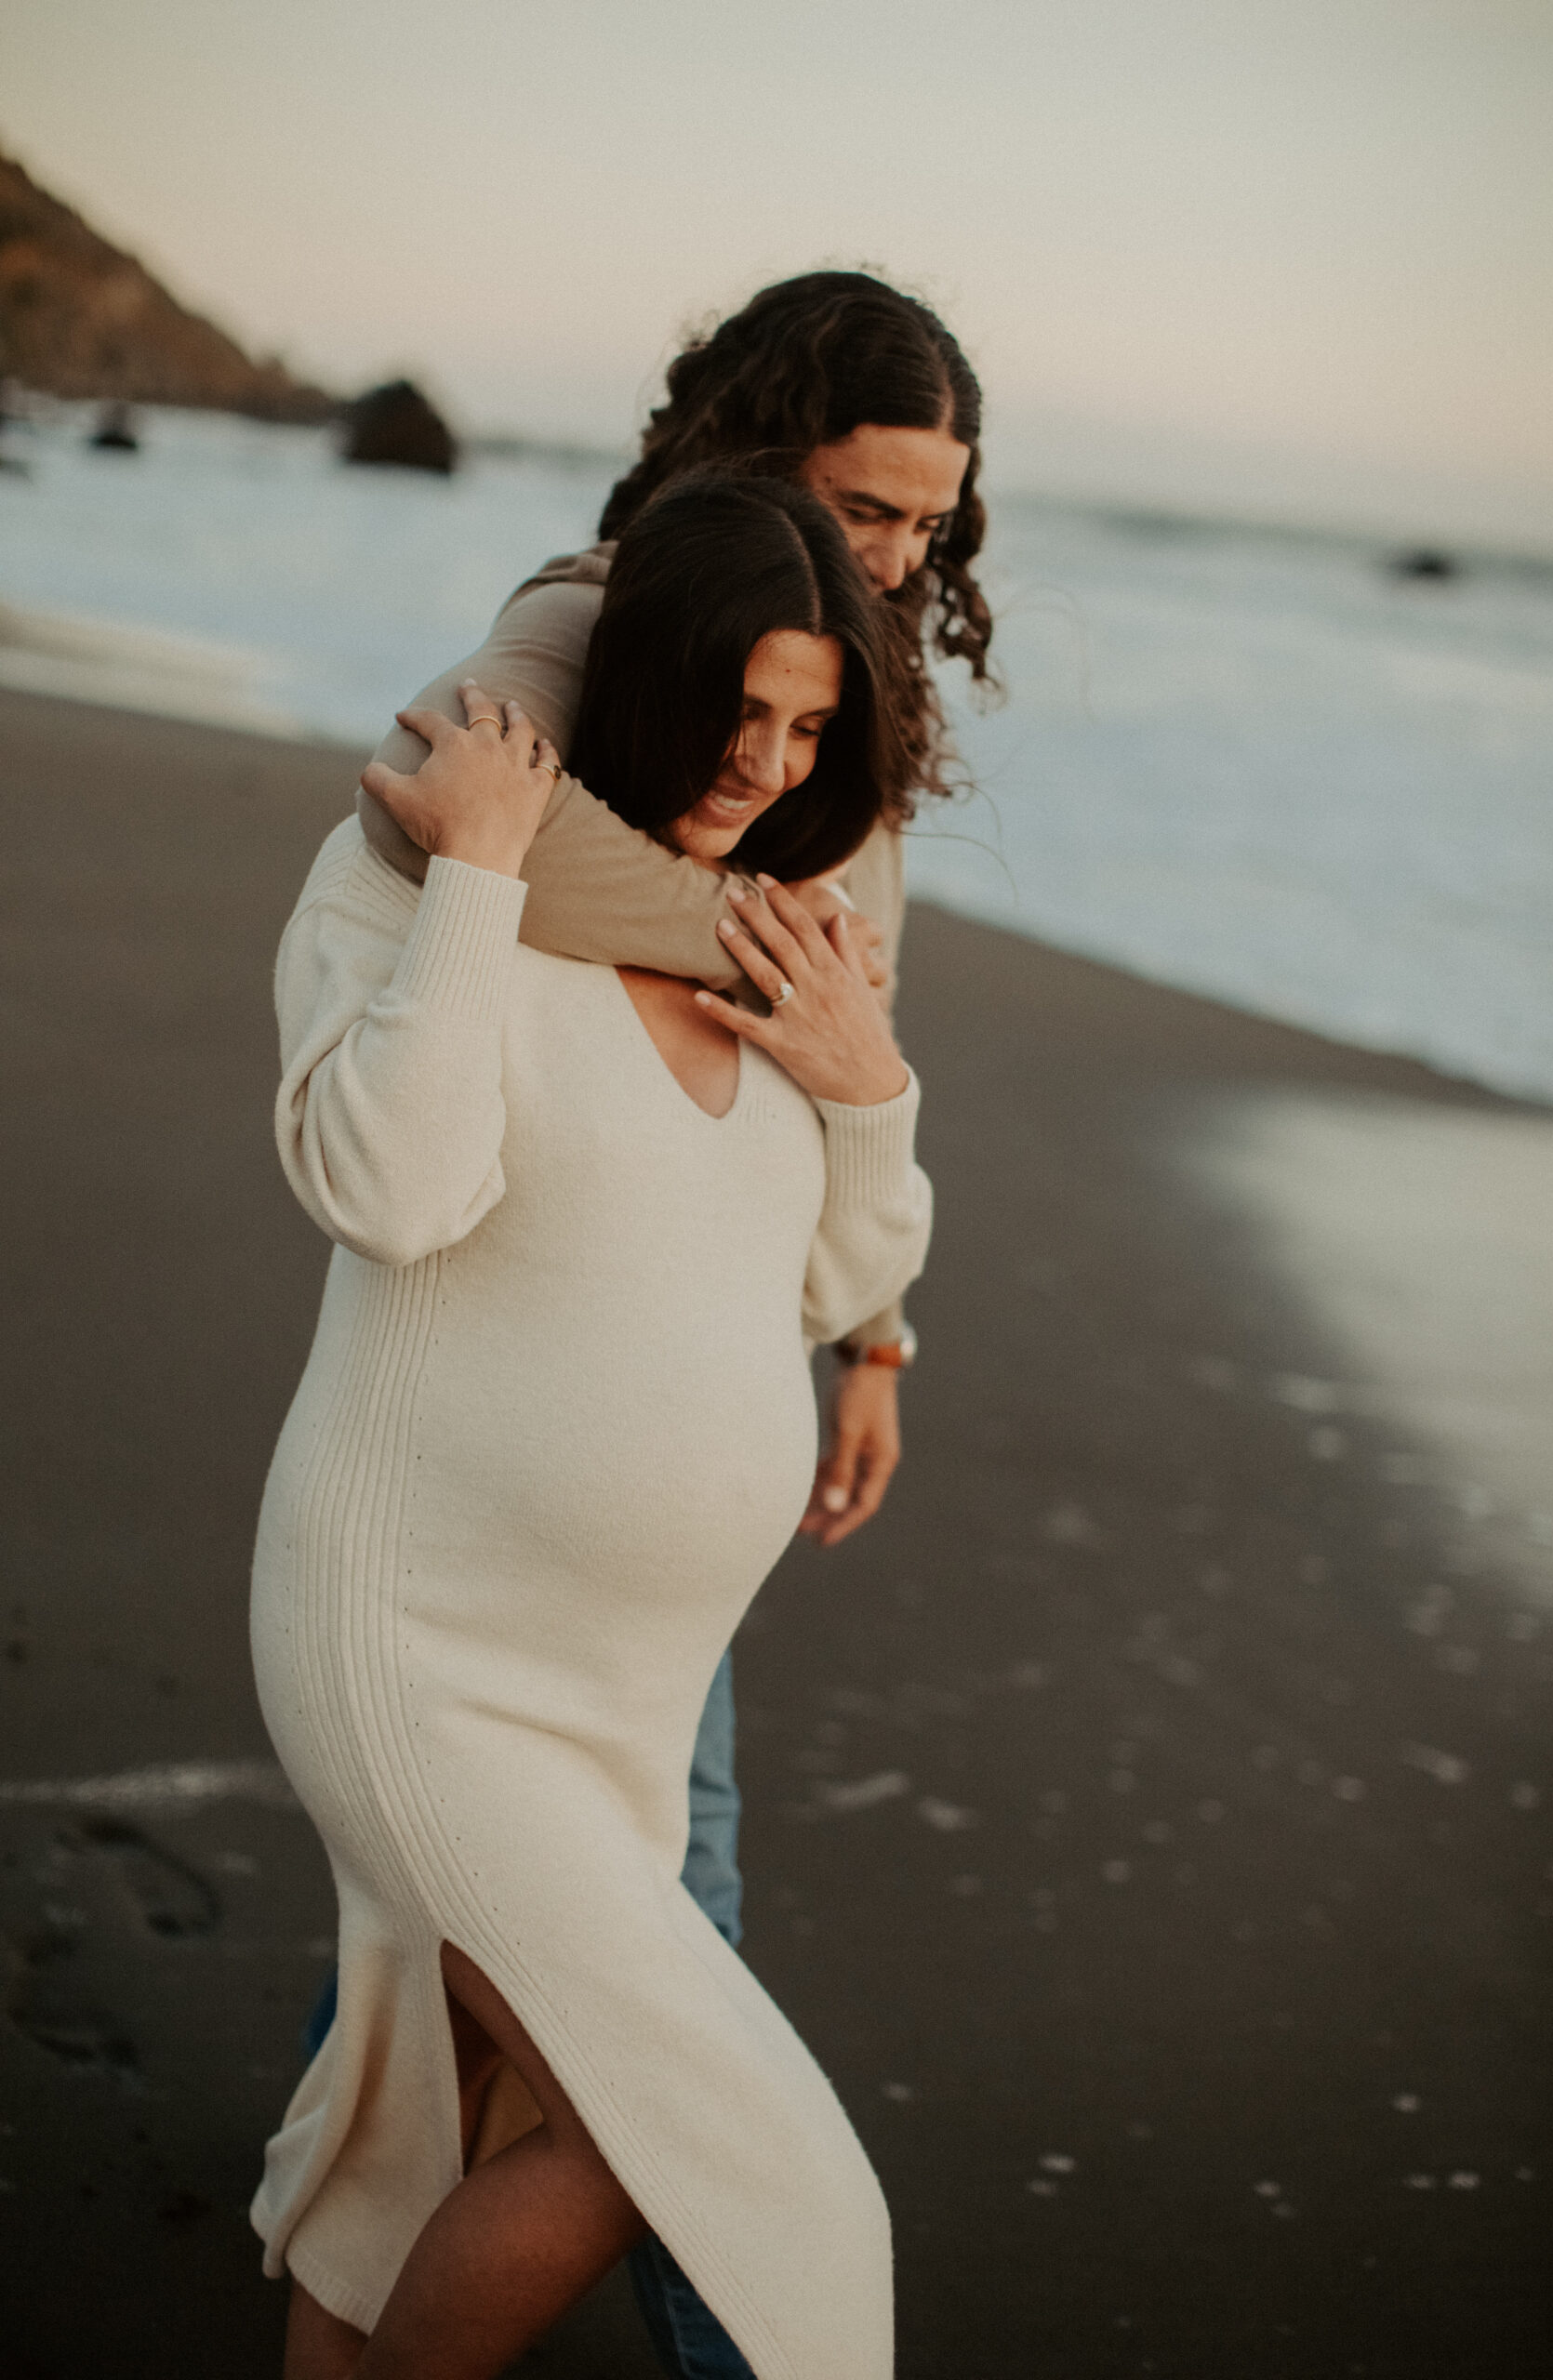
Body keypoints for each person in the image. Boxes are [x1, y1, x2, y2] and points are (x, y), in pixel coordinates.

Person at [331, 270, 991, 2374]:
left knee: (462, 2012)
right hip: (514, 1426)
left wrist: (872, 1330)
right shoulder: (600, 617)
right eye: (865, 506)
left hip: (722, 1315)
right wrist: (760, 931)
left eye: (927, 529)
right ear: (754, 450)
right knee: (665, 2028)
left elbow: (849, 1038)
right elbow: (428, 806)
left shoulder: (839, 677)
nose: (897, 559)